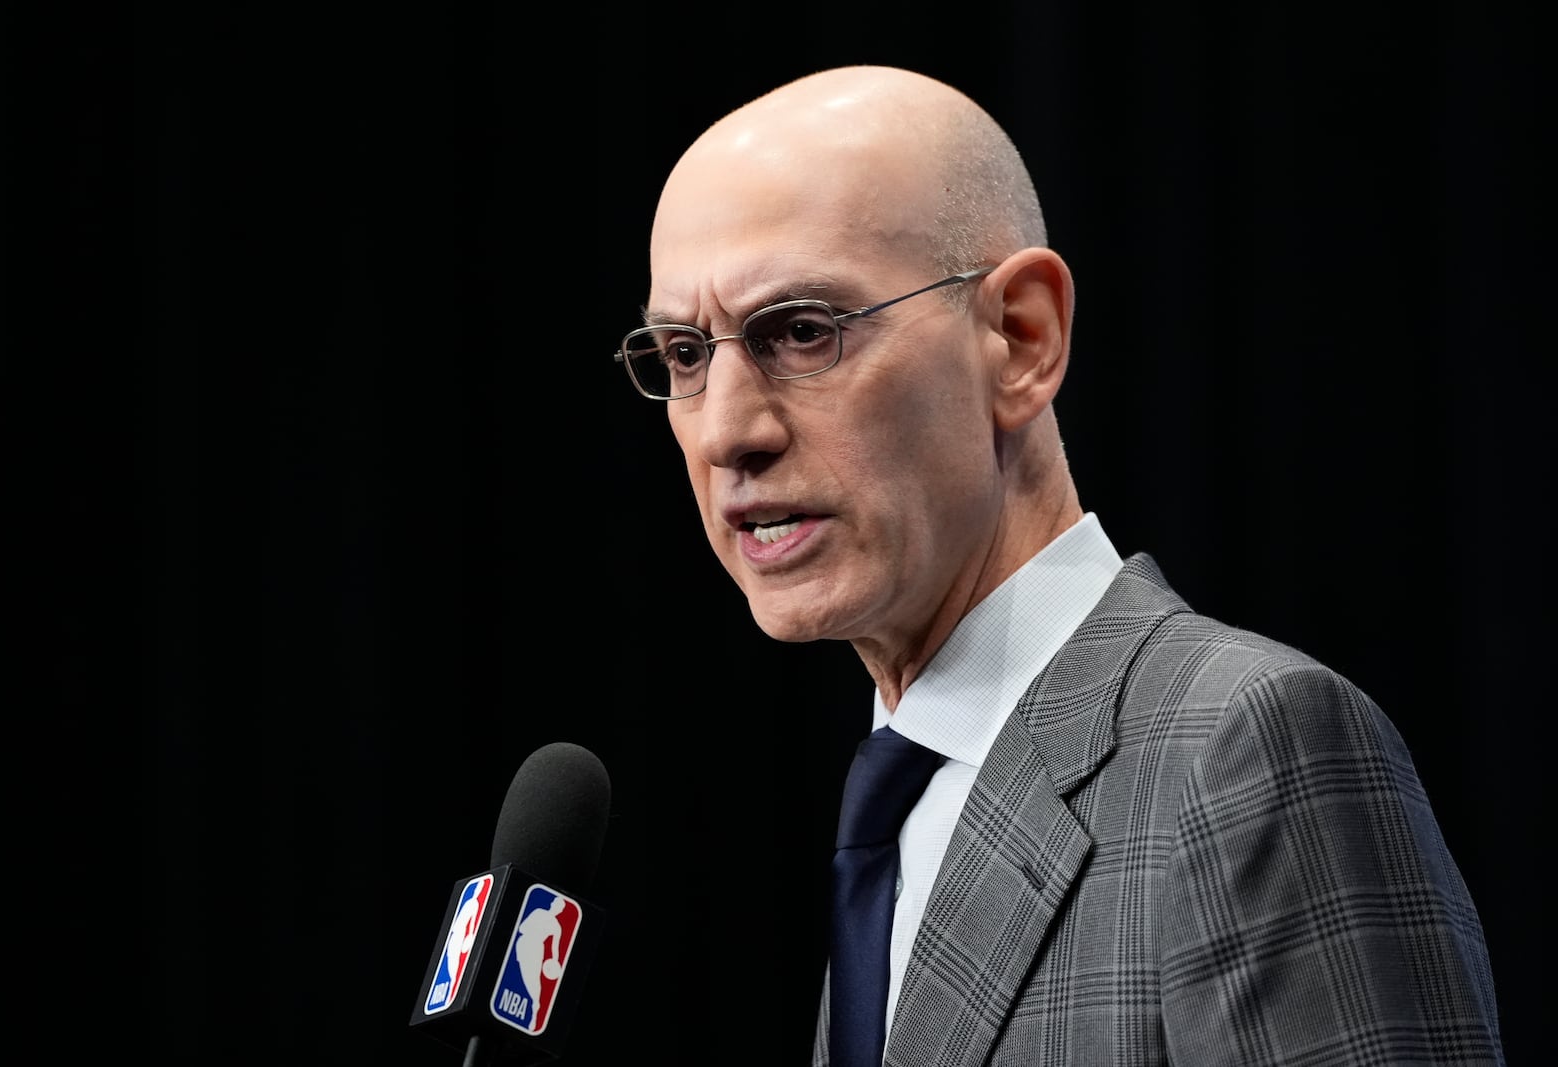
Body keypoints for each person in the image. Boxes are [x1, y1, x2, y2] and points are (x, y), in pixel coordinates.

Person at [610, 65, 1503, 1065]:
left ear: (1020, 338)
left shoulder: (1244, 747)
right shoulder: (899, 804)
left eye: (803, 331)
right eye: (684, 354)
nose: (727, 430)